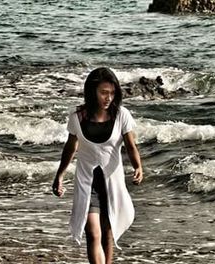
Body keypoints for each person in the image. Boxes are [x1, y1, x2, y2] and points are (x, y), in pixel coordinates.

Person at [52, 67, 143, 264]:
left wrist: (138, 167)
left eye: (112, 93)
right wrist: (60, 175)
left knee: (108, 233)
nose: (108, 97)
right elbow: (70, 147)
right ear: (92, 92)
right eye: (103, 92)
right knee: (93, 233)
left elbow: (130, 145)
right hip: (87, 183)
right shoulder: (77, 117)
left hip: (112, 183)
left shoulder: (122, 115)